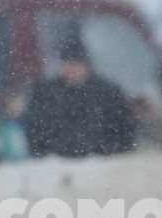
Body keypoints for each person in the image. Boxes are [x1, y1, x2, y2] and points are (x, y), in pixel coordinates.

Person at [22, 27, 138, 158]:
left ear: (86, 65)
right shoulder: (45, 94)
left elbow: (125, 129)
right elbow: (34, 132)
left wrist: (111, 154)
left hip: (103, 163)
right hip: (57, 165)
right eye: (67, 63)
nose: (71, 69)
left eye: (75, 63)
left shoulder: (108, 93)